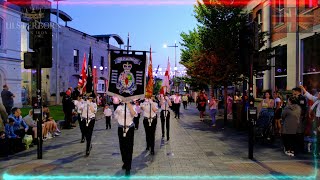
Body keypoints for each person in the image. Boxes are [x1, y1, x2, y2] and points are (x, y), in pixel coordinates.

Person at [114, 101, 137, 176]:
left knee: (129, 148)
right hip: (121, 128)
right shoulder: (119, 107)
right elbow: (115, 118)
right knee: (122, 147)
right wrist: (117, 113)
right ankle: (125, 161)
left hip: (129, 129)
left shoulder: (132, 106)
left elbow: (134, 114)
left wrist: (129, 105)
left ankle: (128, 168)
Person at [300, 85, 320, 154]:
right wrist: (303, 89)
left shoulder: (317, 100)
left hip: (318, 119)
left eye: (319, 94)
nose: (318, 95)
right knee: (317, 134)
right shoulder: (317, 100)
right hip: (318, 119)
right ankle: (317, 150)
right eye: (318, 94)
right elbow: (310, 96)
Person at [292, 87, 307, 154]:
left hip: (300, 116)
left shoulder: (302, 98)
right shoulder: (295, 97)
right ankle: (296, 147)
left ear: (297, 91)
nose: (293, 93)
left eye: (293, 91)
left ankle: (301, 148)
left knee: (300, 132)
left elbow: (302, 107)